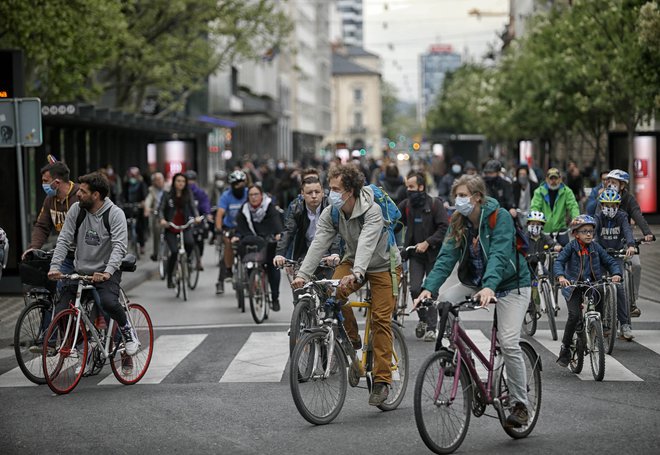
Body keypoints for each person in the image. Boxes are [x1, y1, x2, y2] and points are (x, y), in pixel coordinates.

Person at [414, 174, 532, 428]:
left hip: (512, 285)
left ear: (478, 197)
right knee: (444, 301)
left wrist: (491, 286)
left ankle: (520, 404)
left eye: (464, 196)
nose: (459, 201)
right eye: (456, 196)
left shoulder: (499, 217)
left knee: (509, 343)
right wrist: (428, 289)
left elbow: (500, 254)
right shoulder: (458, 221)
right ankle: (460, 356)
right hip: (476, 284)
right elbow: (446, 257)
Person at [291, 164, 402, 407]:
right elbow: (319, 243)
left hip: (384, 264)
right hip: (353, 260)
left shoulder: (372, 210)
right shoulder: (332, 212)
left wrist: (357, 274)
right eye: (329, 188)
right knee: (331, 292)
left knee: (382, 319)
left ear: (350, 190)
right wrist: (303, 274)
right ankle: (352, 346)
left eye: (334, 189)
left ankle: (382, 382)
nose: (329, 194)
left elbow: (367, 243)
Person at [47, 172, 137, 357]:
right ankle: (83, 346)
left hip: (106, 271)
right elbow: (63, 239)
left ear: (96, 195)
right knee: (62, 309)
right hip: (80, 270)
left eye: (82, 191)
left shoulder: (115, 214)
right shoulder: (76, 209)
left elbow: (119, 247)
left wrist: (108, 272)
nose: (78, 193)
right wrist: (55, 267)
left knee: (108, 303)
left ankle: (128, 332)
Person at [554, 215, 622, 367]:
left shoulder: (596, 248)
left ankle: (598, 326)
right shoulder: (571, 247)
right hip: (573, 286)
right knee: (574, 315)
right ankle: (565, 348)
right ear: (576, 234)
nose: (589, 234)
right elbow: (559, 262)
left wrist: (616, 273)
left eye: (591, 231)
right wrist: (560, 277)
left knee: (601, 291)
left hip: (591, 284)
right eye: (584, 231)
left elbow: (609, 261)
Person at [398, 171, 449, 342]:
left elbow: (443, 228)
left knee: (431, 289)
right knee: (414, 288)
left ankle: (432, 328)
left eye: (411, 187)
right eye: (407, 187)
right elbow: (396, 224)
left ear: (421, 187)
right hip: (415, 255)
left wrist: (428, 242)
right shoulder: (406, 205)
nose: (408, 190)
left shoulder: (435, 204)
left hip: (433, 254)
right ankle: (422, 319)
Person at [603, 169, 654, 317]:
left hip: (626, 240)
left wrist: (647, 233)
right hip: (607, 240)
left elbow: (637, 214)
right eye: (609, 182)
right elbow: (596, 218)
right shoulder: (604, 197)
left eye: (614, 182)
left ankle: (632, 302)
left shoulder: (629, 199)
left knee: (636, 265)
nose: (610, 185)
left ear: (622, 185)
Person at [273, 174, 340, 275]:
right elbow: (288, 232)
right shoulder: (296, 208)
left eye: (317, 192)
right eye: (309, 193)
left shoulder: (331, 207)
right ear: (302, 194)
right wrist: (280, 254)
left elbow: (337, 231)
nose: (314, 196)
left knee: (329, 288)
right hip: (305, 254)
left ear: (322, 192)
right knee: (300, 287)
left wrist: (335, 253)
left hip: (329, 254)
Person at [594, 189, 636, 340]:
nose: (610, 208)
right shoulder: (598, 217)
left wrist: (630, 245)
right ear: (602, 205)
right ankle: (599, 323)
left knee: (619, 287)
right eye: (607, 205)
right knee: (598, 287)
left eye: (613, 205)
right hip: (600, 255)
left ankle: (625, 325)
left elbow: (627, 231)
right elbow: (593, 234)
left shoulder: (622, 217)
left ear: (618, 205)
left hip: (617, 255)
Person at [235, 185, 283, 310]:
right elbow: (240, 226)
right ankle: (253, 286)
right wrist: (236, 235)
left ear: (261, 195)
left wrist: (278, 233)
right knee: (249, 261)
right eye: (251, 195)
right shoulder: (244, 209)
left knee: (273, 266)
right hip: (253, 243)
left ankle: (275, 298)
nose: (254, 197)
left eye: (256, 194)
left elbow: (276, 222)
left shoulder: (269, 207)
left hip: (268, 241)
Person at [158, 173, 199, 289]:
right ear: (174, 182)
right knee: (174, 252)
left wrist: (196, 217)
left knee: (190, 243)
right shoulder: (167, 195)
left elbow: (193, 207)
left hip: (184, 226)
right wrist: (162, 220)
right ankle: (170, 277)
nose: (180, 183)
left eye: (182, 181)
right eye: (178, 181)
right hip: (171, 227)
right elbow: (161, 209)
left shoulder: (188, 194)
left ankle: (188, 261)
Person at [215, 170, 249, 294]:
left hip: (245, 227)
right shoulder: (226, 196)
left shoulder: (248, 193)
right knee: (228, 245)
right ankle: (223, 278)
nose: (238, 186)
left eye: (241, 183)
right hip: (229, 227)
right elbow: (220, 214)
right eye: (236, 183)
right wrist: (219, 228)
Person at [530, 168, 580, 241]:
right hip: (544, 229)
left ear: (560, 179)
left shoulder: (567, 191)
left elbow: (573, 206)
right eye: (551, 178)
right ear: (546, 179)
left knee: (565, 248)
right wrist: (535, 223)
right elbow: (535, 207)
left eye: (555, 178)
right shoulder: (539, 192)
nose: (553, 181)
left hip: (561, 229)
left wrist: (576, 219)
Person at [526, 211, 560, 312]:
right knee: (528, 284)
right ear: (528, 225)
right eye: (532, 224)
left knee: (549, 275)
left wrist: (556, 246)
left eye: (538, 224)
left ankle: (551, 298)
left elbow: (551, 243)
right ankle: (529, 303)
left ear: (542, 226)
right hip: (528, 264)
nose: (535, 226)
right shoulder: (525, 237)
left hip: (540, 264)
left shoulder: (544, 237)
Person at [185, 170, 211, 267]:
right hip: (185, 220)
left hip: (198, 219)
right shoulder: (183, 193)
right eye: (188, 180)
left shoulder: (200, 193)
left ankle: (199, 258)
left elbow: (205, 203)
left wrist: (207, 213)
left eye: (192, 180)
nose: (190, 182)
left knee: (200, 238)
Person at [121, 167, 148, 255]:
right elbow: (123, 195)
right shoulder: (126, 184)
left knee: (140, 226)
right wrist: (122, 203)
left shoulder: (141, 184)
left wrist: (143, 203)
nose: (132, 177)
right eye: (131, 175)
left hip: (139, 207)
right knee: (126, 224)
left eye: (134, 175)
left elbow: (144, 194)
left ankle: (142, 245)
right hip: (129, 207)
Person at [144, 172, 166, 261]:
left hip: (168, 213)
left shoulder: (168, 188)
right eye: (157, 180)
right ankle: (156, 253)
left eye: (160, 179)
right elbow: (148, 200)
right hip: (157, 215)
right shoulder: (151, 190)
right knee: (157, 233)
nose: (159, 181)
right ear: (153, 182)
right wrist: (147, 208)